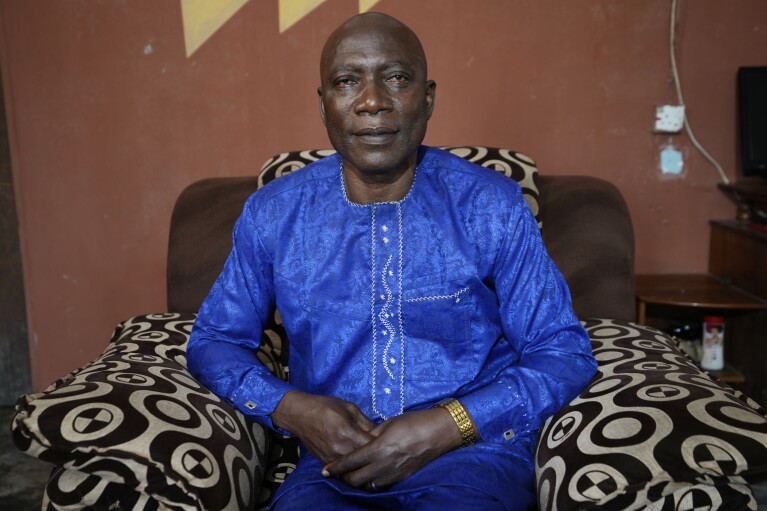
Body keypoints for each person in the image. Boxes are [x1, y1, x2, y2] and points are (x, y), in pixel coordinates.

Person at [187, 12, 597, 511]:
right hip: (331, 468)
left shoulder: (491, 204)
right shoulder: (274, 213)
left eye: (397, 78)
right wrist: (293, 409)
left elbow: (562, 350)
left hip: (473, 458)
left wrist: (449, 424)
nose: (373, 102)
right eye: (346, 82)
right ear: (324, 105)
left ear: (427, 98)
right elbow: (214, 341)